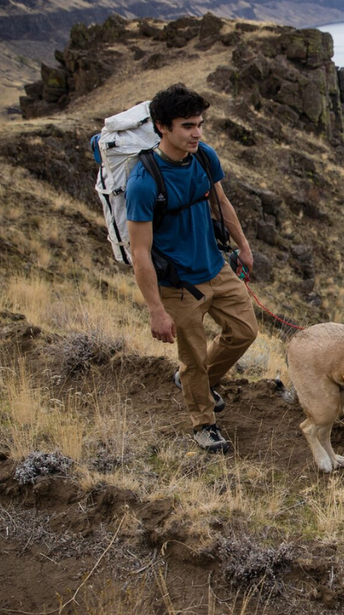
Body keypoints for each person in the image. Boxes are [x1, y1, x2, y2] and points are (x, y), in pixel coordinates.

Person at [126, 83, 258, 453]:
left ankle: (194, 382)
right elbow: (140, 253)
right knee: (193, 358)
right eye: (187, 126)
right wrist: (156, 310)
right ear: (161, 127)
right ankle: (204, 423)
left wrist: (243, 246)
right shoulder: (143, 182)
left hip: (216, 267)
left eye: (199, 124)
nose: (197, 133)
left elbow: (222, 203)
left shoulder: (204, 156)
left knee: (245, 331)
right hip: (179, 284)